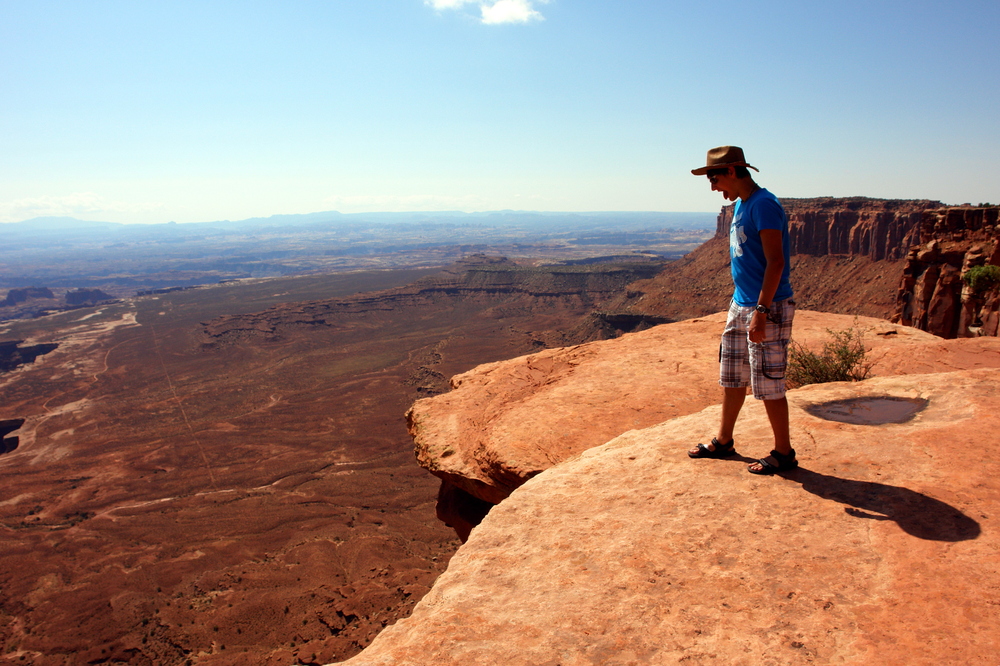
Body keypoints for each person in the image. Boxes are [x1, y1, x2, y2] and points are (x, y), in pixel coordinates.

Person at [686, 146, 797, 474]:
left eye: (714, 178)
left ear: (733, 171)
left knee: (769, 381)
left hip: (768, 306)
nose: (713, 186)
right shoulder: (741, 205)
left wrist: (761, 312)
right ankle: (724, 440)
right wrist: (743, 305)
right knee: (732, 376)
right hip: (742, 303)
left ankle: (783, 453)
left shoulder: (763, 205)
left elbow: (777, 262)